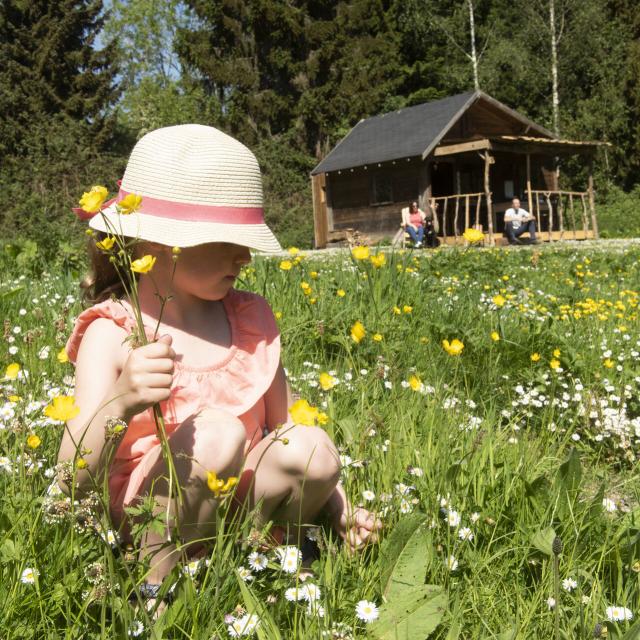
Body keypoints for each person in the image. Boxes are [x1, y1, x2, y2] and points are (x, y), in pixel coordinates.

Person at [57, 124, 381, 603]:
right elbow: (71, 478)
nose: (245, 256)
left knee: (310, 447)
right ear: (153, 242)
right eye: (225, 239)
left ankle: (270, 560)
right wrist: (120, 402)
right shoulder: (114, 331)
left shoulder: (250, 320)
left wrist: (340, 509)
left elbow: (284, 428)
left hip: (238, 511)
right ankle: (156, 586)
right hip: (150, 517)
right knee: (215, 434)